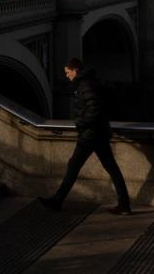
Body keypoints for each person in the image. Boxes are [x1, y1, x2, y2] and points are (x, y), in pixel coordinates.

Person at [39, 58, 131, 214]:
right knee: (112, 169)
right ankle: (124, 205)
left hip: (91, 134)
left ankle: (57, 201)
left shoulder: (85, 85)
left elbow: (94, 109)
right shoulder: (90, 82)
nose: (67, 76)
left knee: (73, 167)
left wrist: (80, 123)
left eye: (68, 73)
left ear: (75, 70)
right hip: (99, 133)